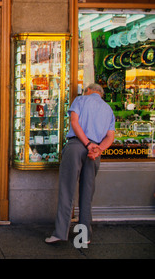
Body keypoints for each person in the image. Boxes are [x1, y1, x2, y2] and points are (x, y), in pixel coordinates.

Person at [45, 83, 115, 244]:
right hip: (95, 151)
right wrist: (97, 149)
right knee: (87, 193)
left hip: (77, 146)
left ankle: (60, 233)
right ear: (101, 94)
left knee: (67, 190)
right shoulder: (108, 109)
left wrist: (86, 144)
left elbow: (74, 123)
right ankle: (84, 236)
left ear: (89, 90)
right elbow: (110, 137)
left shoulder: (81, 100)